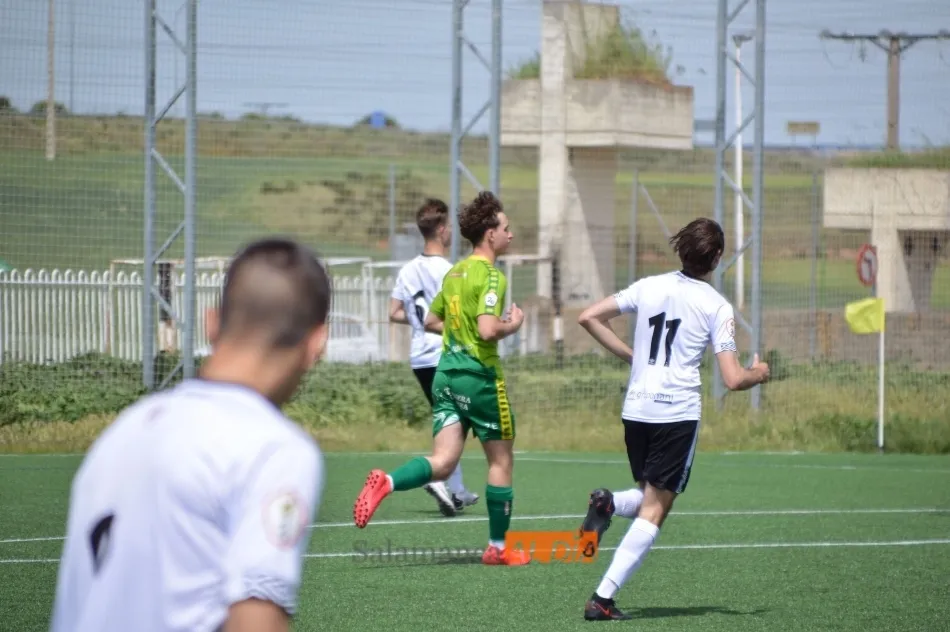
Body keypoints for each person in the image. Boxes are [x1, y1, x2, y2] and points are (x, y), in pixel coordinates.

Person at [49, 238, 332, 632]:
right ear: (317, 343)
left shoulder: (126, 429)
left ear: (211, 323)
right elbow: (255, 622)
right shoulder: (274, 448)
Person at [574, 218, 771, 621]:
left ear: (681, 250)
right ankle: (602, 599)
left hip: (637, 408)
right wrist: (760, 374)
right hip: (675, 414)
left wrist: (633, 356)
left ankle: (607, 504)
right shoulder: (716, 305)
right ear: (716, 258)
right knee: (656, 510)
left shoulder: (648, 286)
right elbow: (733, 378)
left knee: (650, 495)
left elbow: (589, 316)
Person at [353, 191, 530, 566]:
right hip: (478, 378)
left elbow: (432, 321)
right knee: (500, 461)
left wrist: (460, 330)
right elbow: (486, 331)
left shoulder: (455, 273)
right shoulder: (491, 277)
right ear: (489, 234)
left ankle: (387, 481)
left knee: (444, 461)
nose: (510, 235)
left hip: (445, 376)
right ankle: (498, 549)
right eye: (506, 228)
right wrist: (511, 325)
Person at [389, 198, 479, 517]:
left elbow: (394, 312)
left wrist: (418, 322)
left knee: (449, 418)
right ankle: (440, 479)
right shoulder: (450, 272)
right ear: (441, 230)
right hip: (445, 355)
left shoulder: (407, 270)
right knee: (458, 421)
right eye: (451, 227)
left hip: (419, 357)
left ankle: (455, 489)